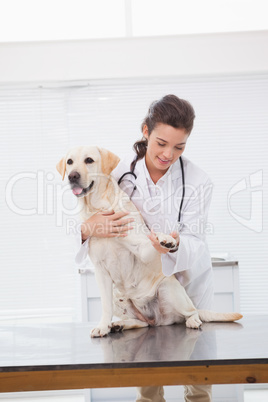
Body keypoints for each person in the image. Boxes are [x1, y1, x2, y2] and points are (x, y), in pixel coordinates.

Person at [76, 94, 214, 402]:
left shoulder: (198, 180)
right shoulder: (116, 172)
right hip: (139, 294)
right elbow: (87, 219)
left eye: (179, 147)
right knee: (149, 389)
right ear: (145, 131)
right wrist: (88, 228)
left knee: (199, 384)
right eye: (161, 143)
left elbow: (194, 239)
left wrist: (174, 244)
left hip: (188, 286)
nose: (168, 154)